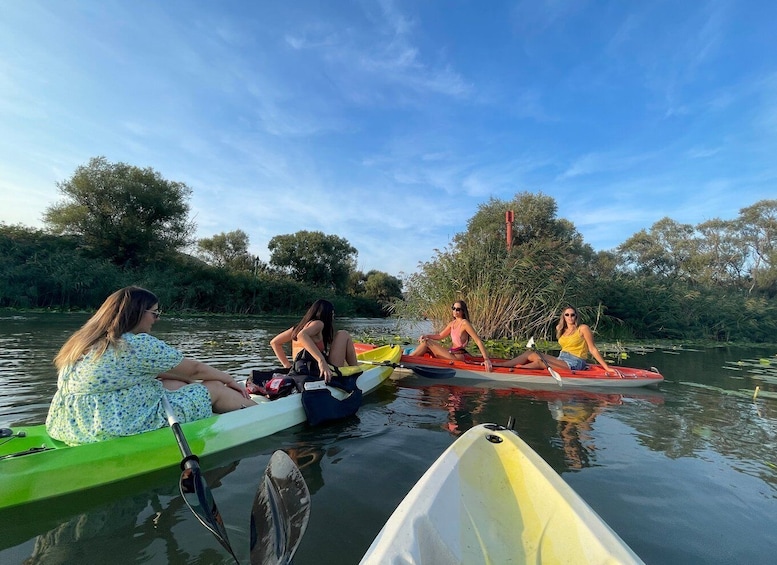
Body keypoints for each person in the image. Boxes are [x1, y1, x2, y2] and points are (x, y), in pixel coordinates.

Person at [45, 286, 254, 446]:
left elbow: (167, 373)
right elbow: (196, 369)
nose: (156, 318)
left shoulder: (83, 342)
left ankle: (209, 405)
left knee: (170, 382)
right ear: (136, 313)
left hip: (69, 424)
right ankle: (261, 411)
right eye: (154, 313)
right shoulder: (137, 344)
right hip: (115, 425)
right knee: (215, 387)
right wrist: (229, 379)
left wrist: (188, 382)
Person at [493, 306, 614, 372]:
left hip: (575, 362)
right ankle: (501, 365)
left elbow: (592, 349)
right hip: (561, 358)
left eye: (572, 315)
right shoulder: (560, 329)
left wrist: (606, 367)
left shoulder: (583, 328)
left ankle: (515, 370)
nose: (570, 317)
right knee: (530, 353)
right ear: (563, 317)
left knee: (540, 362)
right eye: (567, 315)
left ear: (576, 316)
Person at [270, 299, 358, 382]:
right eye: (332, 313)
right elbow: (302, 335)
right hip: (314, 369)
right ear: (327, 313)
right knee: (343, 334)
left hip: (299, 369)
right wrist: (321, 361)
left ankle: (355, 367)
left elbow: (274, 343)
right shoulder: (318, 323)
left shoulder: (298, 328)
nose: (333, 316)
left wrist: (287, 366)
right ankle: (358, 370)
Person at [405, 300, 492, 371]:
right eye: (453, 308)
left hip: (457, 358)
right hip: (451, 354)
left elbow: (477, 340)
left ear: (463, 311)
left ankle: (406, 360)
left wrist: (486, 359)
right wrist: (426, 336)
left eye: (458, 309)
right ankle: (411, 360)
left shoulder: (464, 323)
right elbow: (440, 336)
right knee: (426, 344)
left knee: (427, 343)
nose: (455, 311)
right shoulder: (452, 323)